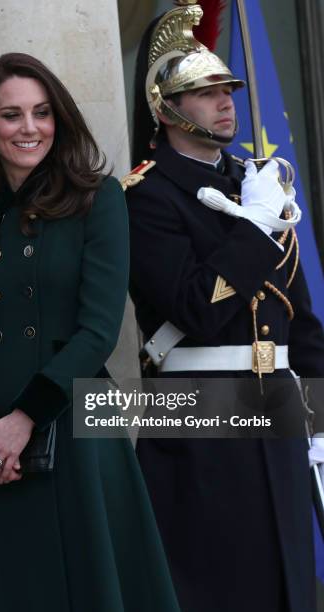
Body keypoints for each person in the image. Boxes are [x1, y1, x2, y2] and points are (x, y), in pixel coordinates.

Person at [0, 52, 181, 612]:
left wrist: (23, 422)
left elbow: (98, 331)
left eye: (42, 112)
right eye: (11, 115)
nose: (29, 128)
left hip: (73, 419)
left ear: (59, 118)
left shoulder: (99, 199)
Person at [124, 3, 324, 612]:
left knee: (292, 585)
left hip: (280, 415)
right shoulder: (147, 197)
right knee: (221, 584)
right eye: (205, 93)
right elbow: (195, 307)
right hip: (200, 426)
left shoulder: (256, 183)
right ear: (166, 109)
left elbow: (300, 317)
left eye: (227, 89)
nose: (225, 103)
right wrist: (258, 231)